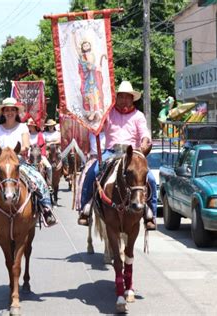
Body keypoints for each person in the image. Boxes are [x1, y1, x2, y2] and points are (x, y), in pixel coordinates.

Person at [78, 81, 157, 230]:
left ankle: (150, 213)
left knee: (151, 179)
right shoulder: (109, 113)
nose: (124, 100)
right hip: (111, 152)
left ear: (132, 99)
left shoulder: (138, 116)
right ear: (117, 98)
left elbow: (144, 134)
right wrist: (94, 118)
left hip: (131, 154)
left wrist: (145, 142)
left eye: (128, 97)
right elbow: (99, 125)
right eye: (121, 97)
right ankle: (85, 208)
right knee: (92, 173)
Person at [0, 97, 57, 236]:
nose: (10, 112)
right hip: (1, 165)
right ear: (3, 113)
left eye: (12, 110)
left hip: (19, 163)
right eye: (7, 110)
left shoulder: (23, 127)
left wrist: (21, 149)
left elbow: (25, 145)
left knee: (39, 181)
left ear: (16, 112)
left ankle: (46, 210)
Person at [76, 40, 104, 122]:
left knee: (93, 94)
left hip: (92, 77)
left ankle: (94, 111)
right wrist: (74, 36)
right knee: (88, 95)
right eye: (84, 45)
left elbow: (92, 66)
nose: (86, 46)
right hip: (86, 78)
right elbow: (86, 66)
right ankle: (91, 111)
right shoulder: (82, 56)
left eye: (87, 45)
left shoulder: (91, 55)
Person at [27, 118, 53, 191]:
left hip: (39, 155)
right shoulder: (26, 134)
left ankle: (49, 184)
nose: (29, 127)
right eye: (28, 125)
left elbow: (43, 147)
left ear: (35, 126)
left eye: (30, 125)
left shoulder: (40, 135)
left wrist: (42, 157)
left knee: (49, 167)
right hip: (28, 155)